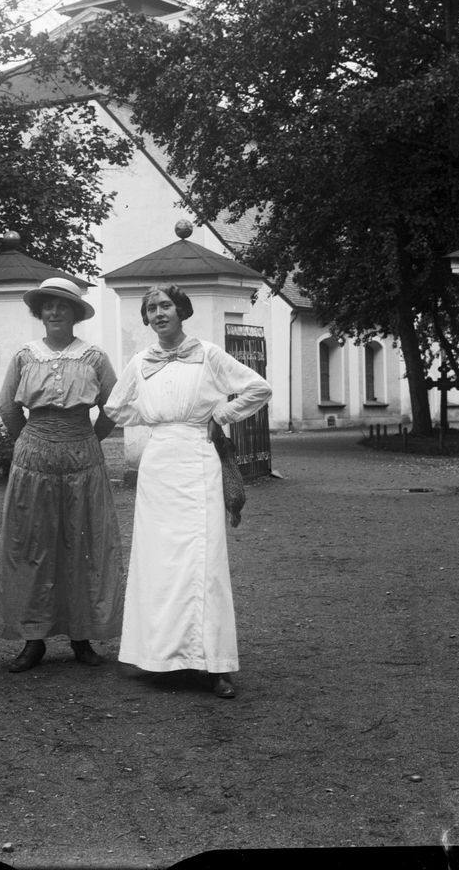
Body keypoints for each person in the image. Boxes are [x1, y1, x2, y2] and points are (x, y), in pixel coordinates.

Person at [104, 284, 272, 698]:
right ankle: (162, 658)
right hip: (158, 463)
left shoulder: (209, 354)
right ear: (146, 318)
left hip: (198, 458)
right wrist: (151, 415)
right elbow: (115, 408)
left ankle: (215, 665)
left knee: (204, 561)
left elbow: (258, 388)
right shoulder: (141, 361)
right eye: (151, 309)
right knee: (159, 561)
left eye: (166, 306)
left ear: (181, 310)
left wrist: (221, 414)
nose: (159, 313)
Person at [0, 277, 125, 672]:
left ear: (76, 313)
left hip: (83, 456)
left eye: (63, 306)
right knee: (32, 545)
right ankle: (33, 640)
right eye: (48, 305)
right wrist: (33, 440)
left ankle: (82, 637)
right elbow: (8, 407)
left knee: (83, 543)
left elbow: (114, 406)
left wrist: (87, 438)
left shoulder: (94, 357)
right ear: (40, 312)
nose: (55, 312)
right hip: (34, 458)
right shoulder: (24, 357)